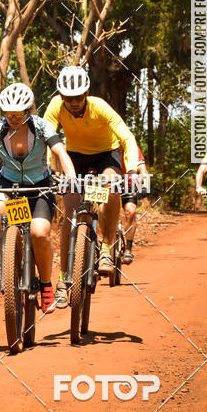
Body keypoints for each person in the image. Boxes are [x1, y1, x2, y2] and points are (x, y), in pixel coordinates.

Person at [0, 82, 77, 313]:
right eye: (9, 113)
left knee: (39, 233)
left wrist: (70, 177)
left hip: (40, 186)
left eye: (18, 114)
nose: (13, 118)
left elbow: (60, 152)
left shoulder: (41, 127)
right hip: (9, 183)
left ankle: (46, 285)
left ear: (28, 111)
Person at [43, 65, 143, 308]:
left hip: (105, 154)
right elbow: (44, 138)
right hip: (74, 157)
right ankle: (63, 278)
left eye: (78, 97)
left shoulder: (100, 106)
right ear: (61, 96)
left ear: (86, 93)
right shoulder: (56, 106)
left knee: (111, 186)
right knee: (70, 212)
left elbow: (127, 138)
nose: (73, 102)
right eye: (68, 98)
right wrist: (47, 168)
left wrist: (131, 169)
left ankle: (107, 248)